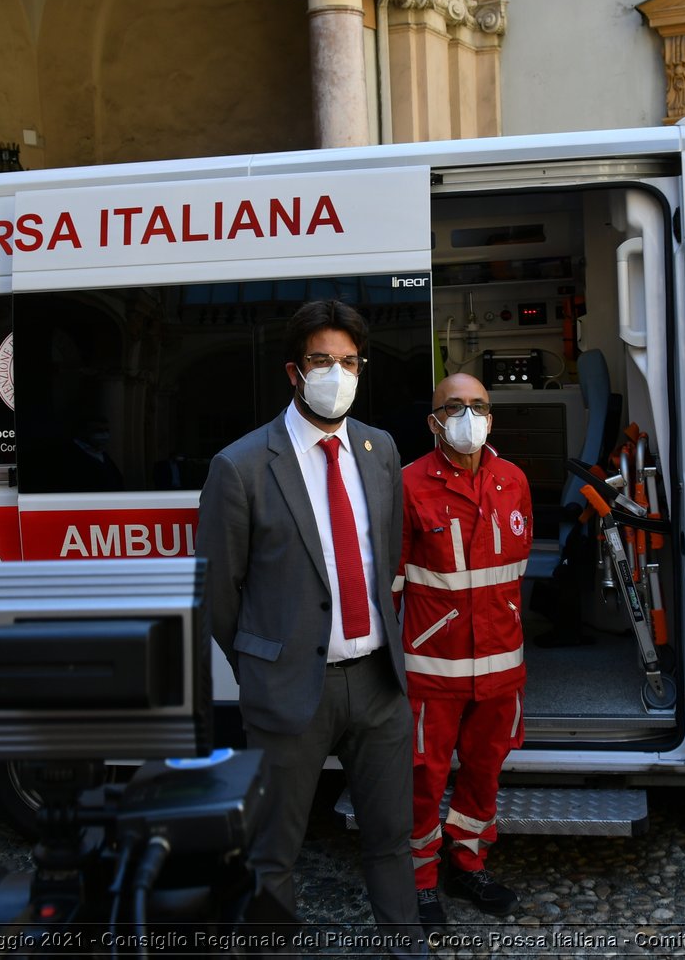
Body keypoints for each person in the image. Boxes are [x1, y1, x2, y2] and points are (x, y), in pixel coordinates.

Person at [198, 300, 423, 956]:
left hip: (378, 684)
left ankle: (407, 947)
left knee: (389, 836)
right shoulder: (239, 466)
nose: (338, 374)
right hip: (291, 690)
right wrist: (266, 664)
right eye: (324, 360)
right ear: (294, 371)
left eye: (350, 362)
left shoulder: (381, 451)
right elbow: (219, 592)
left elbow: (385, 554)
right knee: (275, 852)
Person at [399, 373, 532, 928]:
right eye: (454, 406)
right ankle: (421, 878)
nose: (468, 416)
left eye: (478, 405)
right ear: (434, 420)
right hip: (435, 668)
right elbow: (391, 580)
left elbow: (514, 572)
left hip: (502, 665)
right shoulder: (407, 484)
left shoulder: (514, 480)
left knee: (485, 769)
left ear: (491, 417)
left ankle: (468, 859)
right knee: (423, 775)